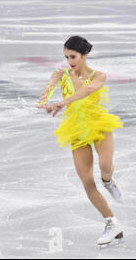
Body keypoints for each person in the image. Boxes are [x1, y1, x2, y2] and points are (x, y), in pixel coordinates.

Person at [37, 35, 124, 244]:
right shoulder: (60, 74)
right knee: (86, 181)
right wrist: (45, 102)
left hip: (98, 124)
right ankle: (112, 222)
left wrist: (62, 102)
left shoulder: (98, 76)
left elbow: (87, 91)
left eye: (73, 56)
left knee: (105, 166)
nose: (69, 61)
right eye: (66, 57)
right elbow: (47, 91)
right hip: (75, 129)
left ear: (85, 55)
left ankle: (108, 180)